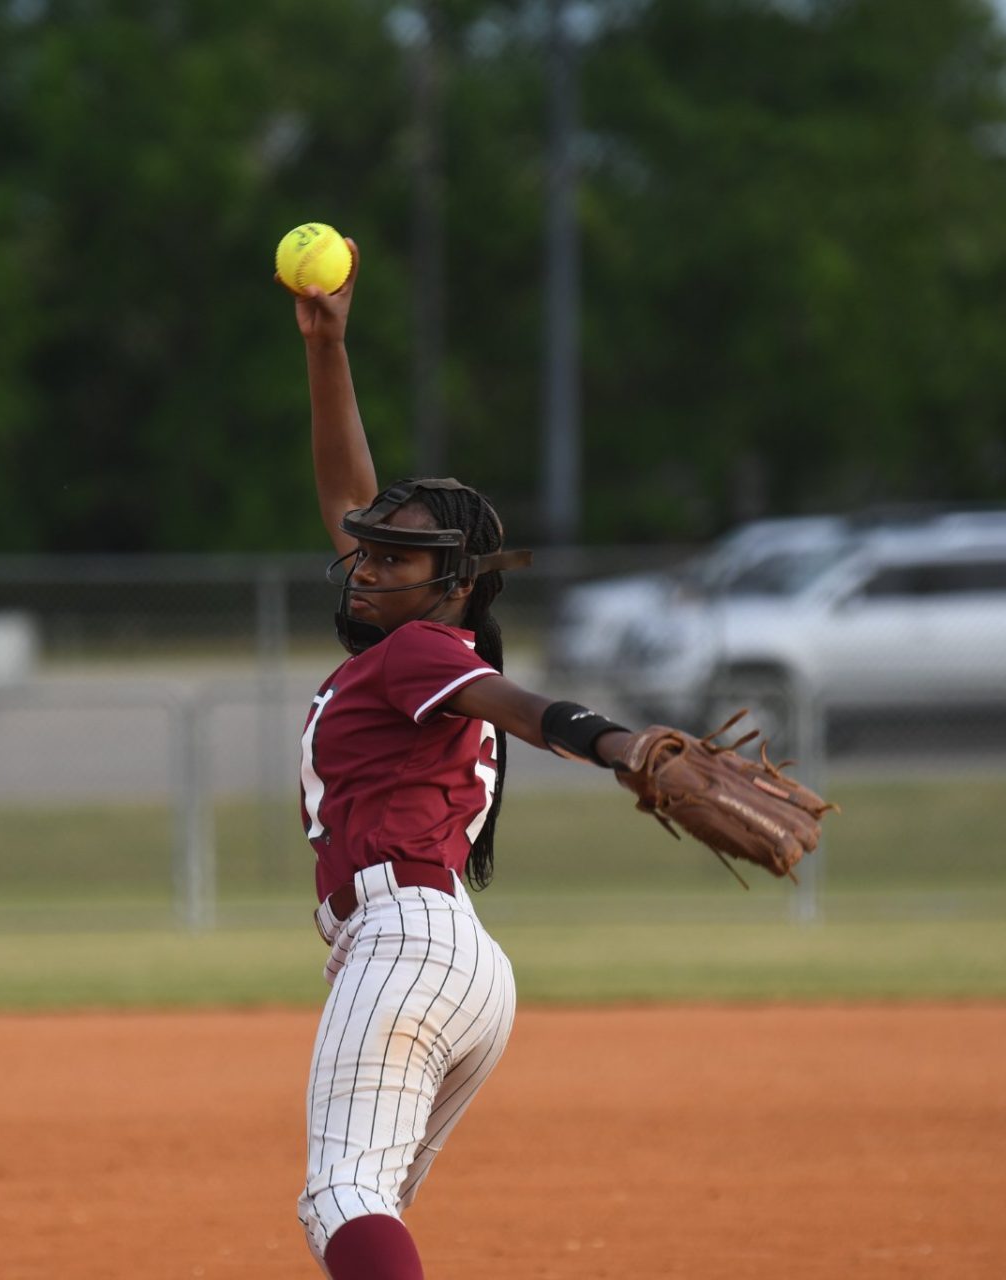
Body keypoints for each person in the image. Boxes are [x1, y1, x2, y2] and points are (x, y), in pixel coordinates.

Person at [285, 241, 671, 1278]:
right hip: (463, 963)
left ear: (451, 582)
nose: (365, 565)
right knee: (373, 1210)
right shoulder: (419, 639)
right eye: (365, 550)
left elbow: (526, 706)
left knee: (343, 1194)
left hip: (405, 942)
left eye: (395, 559)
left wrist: (620, 743)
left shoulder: (421, 652)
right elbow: (349, 495)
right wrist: (329, 349)